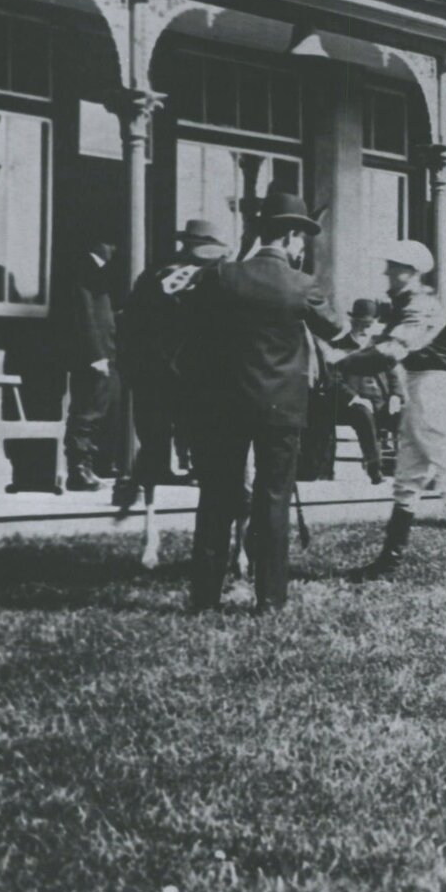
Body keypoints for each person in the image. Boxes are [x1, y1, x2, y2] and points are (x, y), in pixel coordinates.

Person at [175, 193, 349, 613]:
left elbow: (191, 326)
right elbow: (337, 329)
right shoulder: (303, 285)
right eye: (301, 238)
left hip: (225, 405)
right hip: (281, 409)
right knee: (273, 499)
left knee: (216, 497)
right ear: (289, 237)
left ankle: (204, 598)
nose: (302, 246)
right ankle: (270, 599)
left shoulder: (222, 275)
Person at [343, 240, 446, 581]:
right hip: (418, 388)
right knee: (407, 477)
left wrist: (339, 363)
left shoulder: (421, 306)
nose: (388, 273)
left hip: (436, 390)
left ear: (413, 272)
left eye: (395, 267)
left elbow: (391, 351)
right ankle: (388, 563)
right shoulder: (403, 304)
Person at [115, 218, 229, 564]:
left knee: (159, 456)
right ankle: (182, 540)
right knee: (201, 461)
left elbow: (129, 328)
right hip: (189, 382)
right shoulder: (212, 277)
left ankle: (156, 538)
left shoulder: (156, 275)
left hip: (164, 380)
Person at [57, 227, 121, 492]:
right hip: (93, 355)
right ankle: (79, 469)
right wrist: (96, 355)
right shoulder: (85, 269)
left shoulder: (96, 270)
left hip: (103, 351)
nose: (114, 250)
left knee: (97, 407)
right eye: (109, 243)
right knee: (87, 410)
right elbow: (84, 314)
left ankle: (89, 465)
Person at [333, 299, 392, 483]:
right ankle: (375, 467)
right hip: (352, 403)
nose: (365, 329)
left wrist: (397, 396)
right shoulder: (339, 346)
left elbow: (393, 373)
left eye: (369, 324)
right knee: (364, 414)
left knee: (409, 414)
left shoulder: (380, 346)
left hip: (381, 400)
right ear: (352, 322)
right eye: (360, 324)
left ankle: (417, 471)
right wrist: (353, 397)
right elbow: (334, 379)